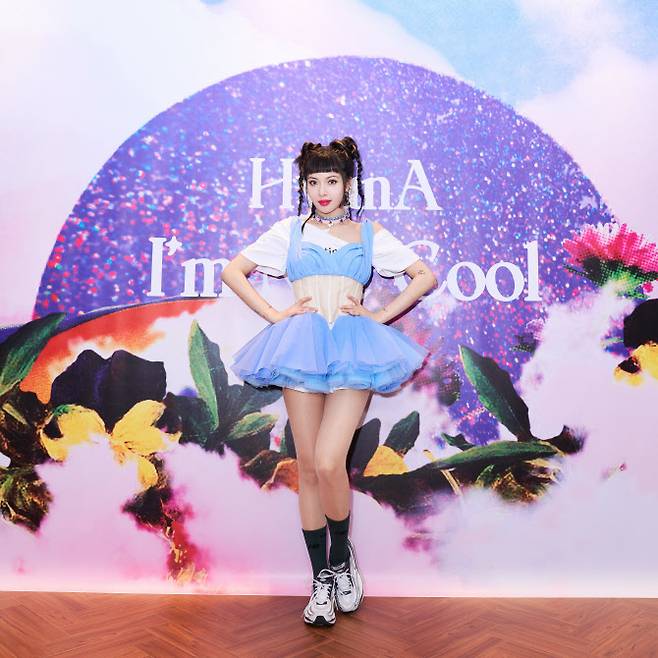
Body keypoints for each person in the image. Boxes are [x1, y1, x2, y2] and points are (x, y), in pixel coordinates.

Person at [220, 137, 437, 626]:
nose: (322, 190)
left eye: (331, 180)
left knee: (327, 459)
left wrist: (378, 317)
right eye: (313, 181)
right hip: (301, 347)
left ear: (347, 184)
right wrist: (276, 315)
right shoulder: (288, 231)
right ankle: (321, 580)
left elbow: (423, 275)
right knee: (308, 468)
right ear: (304, 184)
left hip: (354, 349)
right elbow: (234, 271)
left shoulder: (369, 233)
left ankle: (341, 559)